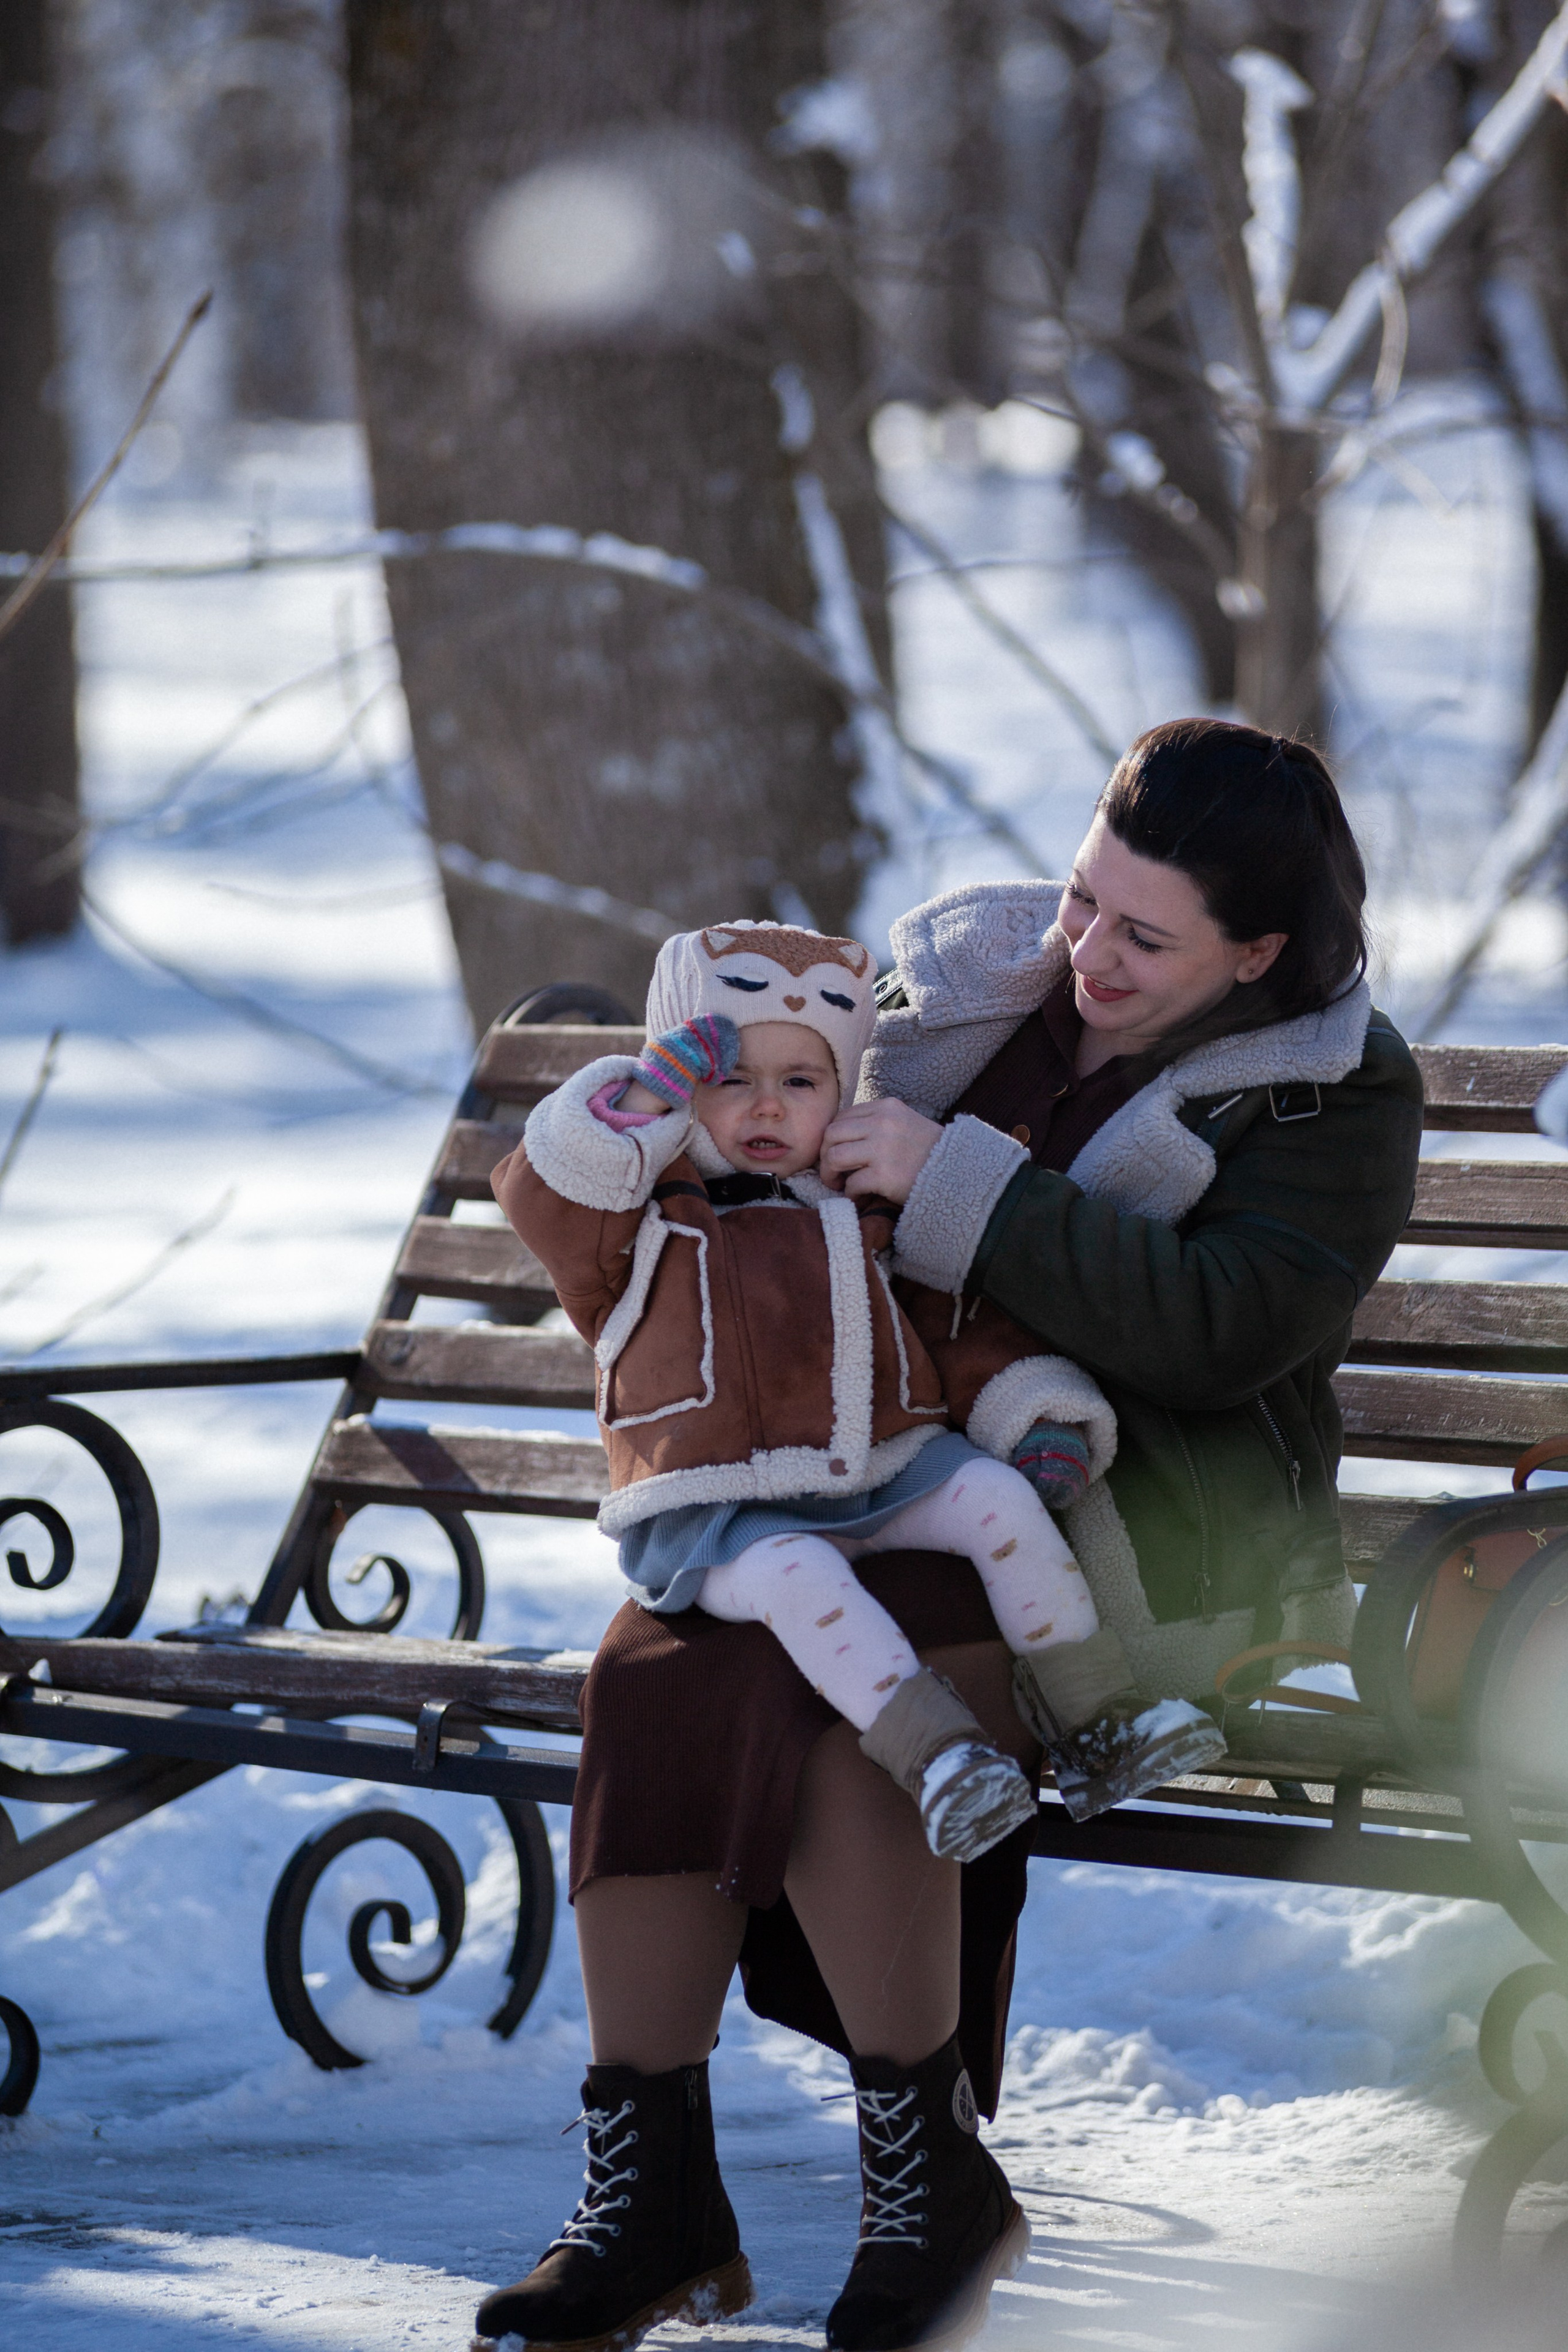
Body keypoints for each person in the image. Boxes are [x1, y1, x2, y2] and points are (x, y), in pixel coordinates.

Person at [470, 721, 1423, 2352]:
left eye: (1144, 937)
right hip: (841, 1472)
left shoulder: (1334, 1090)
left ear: (1255, 953)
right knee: (655, 1671)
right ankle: (649, 2194)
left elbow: (1221, 1332)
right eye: (1080, 901)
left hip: (1115, 1518)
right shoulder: (986, 988)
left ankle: (929, 2184)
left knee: (856, 1693)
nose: (1087, 954)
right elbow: (747, 1165)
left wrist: (945, 1178)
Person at [494, 920, 1221, 1868]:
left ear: (840, 1091)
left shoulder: (859, 1207)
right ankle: (942, 1760)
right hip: (721, 1509)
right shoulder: (640, 1218)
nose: (767, 1105)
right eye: (730, 1080)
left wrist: (1031, 1409)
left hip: (881, 1469)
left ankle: (1096, 1717)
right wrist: (643, 1094)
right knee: (805, 1581)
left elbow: (954, 1324)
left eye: (800, 1082)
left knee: (997, 1501)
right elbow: (544, 1199)